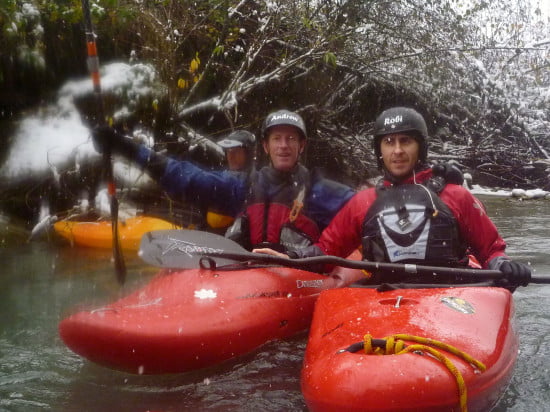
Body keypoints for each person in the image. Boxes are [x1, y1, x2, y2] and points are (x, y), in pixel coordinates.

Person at [254, 106, 531, 289]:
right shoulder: (363, 202)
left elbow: (491, 250)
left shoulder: (455, 196)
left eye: (405, 141)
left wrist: (505, 266)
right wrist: (288, 255)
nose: (397, 151)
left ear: (420, 147)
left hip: (448, 294)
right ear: (380, 151)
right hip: (384, 295)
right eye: (389, 142)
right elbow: (326, 253)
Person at [91, 110, 355, 252]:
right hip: (246, 278)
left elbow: (366, 209)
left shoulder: (318, 191)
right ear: (265, 146)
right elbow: (187, 177)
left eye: (291, 139)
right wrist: (124, 147)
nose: (284, 146)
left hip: (296, 279)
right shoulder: (244, 187)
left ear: (302, 146)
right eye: (277, 138)